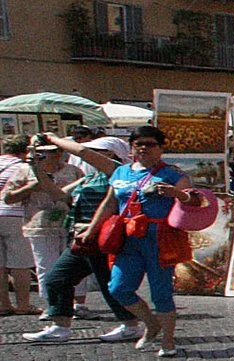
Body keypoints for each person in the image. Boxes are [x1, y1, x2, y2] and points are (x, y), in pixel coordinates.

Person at [86, 126, 204, 357]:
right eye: (138, 144)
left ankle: (168, 341)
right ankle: (151, 324)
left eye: (150, 144)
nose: (143, 148)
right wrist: (92, 229)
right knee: (118, 288)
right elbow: (110, 204)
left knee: (161, 293)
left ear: (161, 148)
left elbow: (195, 201)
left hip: (159, 238)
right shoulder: (121, 173)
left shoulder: (172, 174)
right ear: (131, 148)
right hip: (128, 238)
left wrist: (176, 194)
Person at [25, 139, 140, 342]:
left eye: (96, 150)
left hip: (104, 238)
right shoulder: (90, 177)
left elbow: (81, 151)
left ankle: (131, 325)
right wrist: (36, 168)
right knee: (57, 278)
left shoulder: (119, 172)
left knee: (110, 284)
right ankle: (60, 326)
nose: (88, 155)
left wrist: (52, 139)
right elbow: (58, 194)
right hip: (82, 239)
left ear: (110, 153)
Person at [0, 136, 39, 314]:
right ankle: (23, 305)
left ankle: (3, 305)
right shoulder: (23, 166)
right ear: (25, 151)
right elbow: (34, 185)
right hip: (15, 214)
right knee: (20, 263)